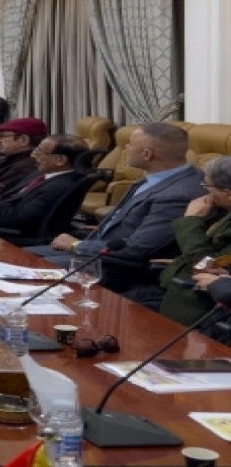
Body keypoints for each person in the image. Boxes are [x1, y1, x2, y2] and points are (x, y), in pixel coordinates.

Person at [26, 122, 205, 294]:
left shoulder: (179, 195)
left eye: (130, 144)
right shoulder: (158, 177)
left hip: (118, 268)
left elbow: (137, 249)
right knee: (22, 256)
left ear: (147, 154)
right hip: (99, 249)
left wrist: (75, 245)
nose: (126, 148)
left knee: (29, 268)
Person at [0, 134, 89, 246]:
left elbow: (14, 220)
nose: (33, 155)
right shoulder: (44, 174)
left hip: (6, 237)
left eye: (40, 152)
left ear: (60, 160)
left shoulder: (59, 186)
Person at [156, 156, 231, 322]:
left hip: (200, 307)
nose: (205, 192)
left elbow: (209, 266)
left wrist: (191, 220)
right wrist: (180, 262)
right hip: (175, 286)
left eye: (207, 186)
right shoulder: (224, 212)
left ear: (227, 194)